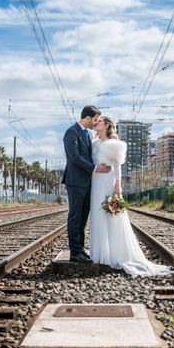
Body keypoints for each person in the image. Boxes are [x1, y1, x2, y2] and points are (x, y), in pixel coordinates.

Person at [89, 115, 172, 276]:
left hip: (109, 182)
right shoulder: (92, 143)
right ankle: (100, 254)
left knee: (112, 217)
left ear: (106, 125)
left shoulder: (115, 144)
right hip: (96, 182)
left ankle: (114, 254)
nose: (96, 123)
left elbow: (117, 166)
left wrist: (118, 186)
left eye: (99, 121)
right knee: (98, 216)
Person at [62, 106, 111, 263]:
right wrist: (96, 168)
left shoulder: (88, 134)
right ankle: (74, 252)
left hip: (88, 183)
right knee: (75, 217)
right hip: (75, 182)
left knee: (83, 218)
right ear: (88, 118)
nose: (96, 122)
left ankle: (80, 250)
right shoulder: (71, 132)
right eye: (95, 119)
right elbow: (74, 157)